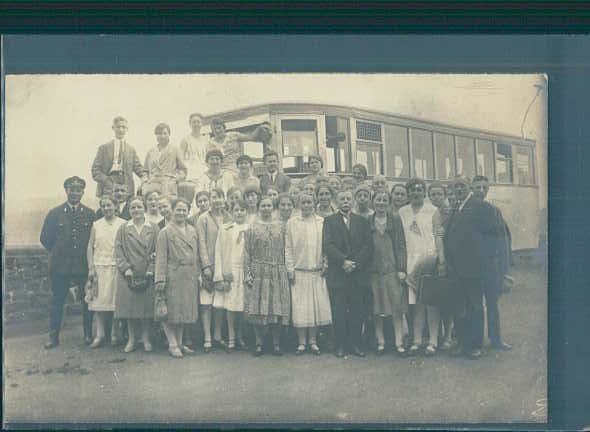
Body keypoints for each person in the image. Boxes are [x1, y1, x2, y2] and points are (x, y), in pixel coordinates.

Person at [443, 175, 504, 359]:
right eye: (456, 187)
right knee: (460, 306)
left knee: (475, 306)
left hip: (475, 268)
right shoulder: (456, 207)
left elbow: (492, 238)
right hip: (457, 268)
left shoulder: (481, 207)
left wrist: (486, 264)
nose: (459, 189)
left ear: (469, 186)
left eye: (462, 186)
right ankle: (462, 343)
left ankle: (475, 345)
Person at [40, 176, 95, 348]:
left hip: (82, 265)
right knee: (57, 301)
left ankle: (88, 335)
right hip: (60, 266)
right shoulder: (55, 213)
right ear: (66, 191)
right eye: (71, 189)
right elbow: (45, 239)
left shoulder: (89, 214)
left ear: (83, 192)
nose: (74, 193)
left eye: (78, 190)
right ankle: (53, 337)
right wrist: (59, 253)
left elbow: (94, 241)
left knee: (87, 301)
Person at [322, 190, 373, 358]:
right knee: (339, 311)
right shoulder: (329, 221)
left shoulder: (362, 221)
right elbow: (328, 245)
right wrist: (343, 261)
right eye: (342, 199)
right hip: (339, 272)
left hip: (357, 273)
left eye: (348, 199)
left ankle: (356, 344)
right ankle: (341, 345)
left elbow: (368, 245)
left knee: (357, 310)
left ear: (353, 202)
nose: (345, 202)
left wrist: (356, 263)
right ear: (336, 202)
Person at [286, 193, 332, 355]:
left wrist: (325, 264)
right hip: (299, 272)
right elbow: (288, 247)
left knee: (315, 307)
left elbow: (326, 246)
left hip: (317, 271)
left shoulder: (321, 222)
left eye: (309, 202)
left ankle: (313, 341)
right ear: (299, 205)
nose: (306, 205)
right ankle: (301, 342)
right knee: (301, 307)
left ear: (315, 203)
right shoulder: (292, 223)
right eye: (303, 202)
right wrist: (290, 269)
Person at [244, 197, 291, 356]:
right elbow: (247, 252)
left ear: (273, 207)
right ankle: (259, 343)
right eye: (263, 205)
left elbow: (287, 249)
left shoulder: (281, 226)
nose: (266, 208)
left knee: (276, 308)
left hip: (277, 270)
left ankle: (276, 343)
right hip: (259, 272)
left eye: (269, 205)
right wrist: (248, 273)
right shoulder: (252, 228)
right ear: (258, 208)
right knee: (258, 308)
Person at [155, 198, 200, 358]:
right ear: (172, 211)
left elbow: (197, 255)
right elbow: (160, 258)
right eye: (178, 209)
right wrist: (160, 280)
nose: (181, 213)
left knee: (183, 311)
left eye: (184, 210)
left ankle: (180, 343)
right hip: (172, 275)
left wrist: (198, 273)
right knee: (169, 311)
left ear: (188, 212)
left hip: (189, 275)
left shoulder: (193, 231)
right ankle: (172, 344)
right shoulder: (165, 232)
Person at [398, 178, 438, 356]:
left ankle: (433, 341)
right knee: (415, 304)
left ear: (424, 192)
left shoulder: (433, 211)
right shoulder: (402, 212)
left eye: (419, 189)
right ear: (409, 193)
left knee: (430, 302)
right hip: (410, 260)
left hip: (429, 259)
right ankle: (416, 340)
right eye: (413, 190)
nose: (416, 193)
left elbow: (438, 237)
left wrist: (438, 259)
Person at [471, 175, 512, 351]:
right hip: (472, 266)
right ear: (472, 188)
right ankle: (477, 342)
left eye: (484, 187)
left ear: (487, 190)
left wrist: (504, 268)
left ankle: (496, 339)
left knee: (493, 303)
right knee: (475, 305)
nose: (481, 190)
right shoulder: (467, 210)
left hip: (490, 265)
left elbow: (502, 240)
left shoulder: (494, 211)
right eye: (477, 187)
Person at [114, 196, 158, 353]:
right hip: (129, 274)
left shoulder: (153, 228)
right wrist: (125, 268)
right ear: (129, 210)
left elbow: (158, 251)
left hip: (147, 273)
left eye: (139, 207)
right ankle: (132, 339)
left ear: (144, 208)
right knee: (130, 309)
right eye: (133, 207)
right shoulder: (124, 228)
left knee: (146, 310)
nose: (136, 210)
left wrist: (151, 269)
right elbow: (118, 250)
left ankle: (146, 338)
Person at [369, 191, 407, 355]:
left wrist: (401, 269)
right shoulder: (368, 221)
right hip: (374, 272)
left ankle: (399, 342)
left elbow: (400, 245)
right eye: (378, 199)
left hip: (392, 270)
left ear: (389, 202)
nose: (381, 203)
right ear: (373, 202)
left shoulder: (395, 219)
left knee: (396, 307)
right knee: (377, 308)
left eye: (385, 200)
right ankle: (381, 342)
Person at [86, 195, 126, 348]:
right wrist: (91, 267)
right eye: (104, 206)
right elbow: (89, 247)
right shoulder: (96, 225)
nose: (107, 209)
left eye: (109, 205)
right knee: (99, 302)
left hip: (116, 267)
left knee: (115, 302)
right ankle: (100, 334)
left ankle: (115, 334)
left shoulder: (123, 224)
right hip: (99, 267)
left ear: (116, 206)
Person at [196, 188, 233, 352]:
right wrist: (206, 266)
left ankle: (217, 335)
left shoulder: (229, 217)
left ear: (224, 199)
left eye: (220, 197)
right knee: (206, 303)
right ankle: (207, 338)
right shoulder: (203, 219)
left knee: (219, 303)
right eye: (213, 197)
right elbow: (201, 244)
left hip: (224, 265)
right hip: (209, 266)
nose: (217, 200)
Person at [212, 199, 250, 352]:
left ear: (246, 211)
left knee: (241, 305)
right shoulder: (225, 229)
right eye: (236, 210)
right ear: (232, 212)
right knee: (230, 306)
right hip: (230, 271)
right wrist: (220, 274)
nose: (239, 212)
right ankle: (232, 338)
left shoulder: (251, 228)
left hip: (245, 271)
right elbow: (219, 252)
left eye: (242, 210)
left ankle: (240, 336)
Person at [91, 116, 147, 198]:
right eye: (118, 127)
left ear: (127, 129)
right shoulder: (103, 148)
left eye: (123, 127)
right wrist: (106, 180)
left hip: (126, 186)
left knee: (125, 209)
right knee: (109, 208)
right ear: (113, 128)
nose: (121, 130)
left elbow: (138, 167)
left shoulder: (131, 150)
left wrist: (145, 177)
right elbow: (95, 170)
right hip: (108, 186)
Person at [207, 118, 273, 173]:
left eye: (219, 128)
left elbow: (250, 137)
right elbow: (208, 160)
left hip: (237, 168)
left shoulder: (233, 135)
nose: (217, 131)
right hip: (221, 170)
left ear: (224, 128)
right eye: (214, 129)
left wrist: (259, 128)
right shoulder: (211, 142)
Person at [144, 123, 187, 197]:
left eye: (165, 133)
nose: (162, 136)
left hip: (168, 185)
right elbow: (145, 170)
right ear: (156, 135)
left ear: (169, 134)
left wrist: (175, 179)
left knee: (166, 205)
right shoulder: (151, 151)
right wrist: (145, 181)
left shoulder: (175, 149)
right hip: (153, 184)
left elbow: (183, 170)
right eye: (159, 134)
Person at [179, 113, 209, 181]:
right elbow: (181, 158)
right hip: (191, 169)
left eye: (198, 122)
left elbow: (208, 156)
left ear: (202, 124)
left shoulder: (206, 139)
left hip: (204, 168)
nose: (196, 124)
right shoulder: (185, 139)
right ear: (190, 124)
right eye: (194, 122)